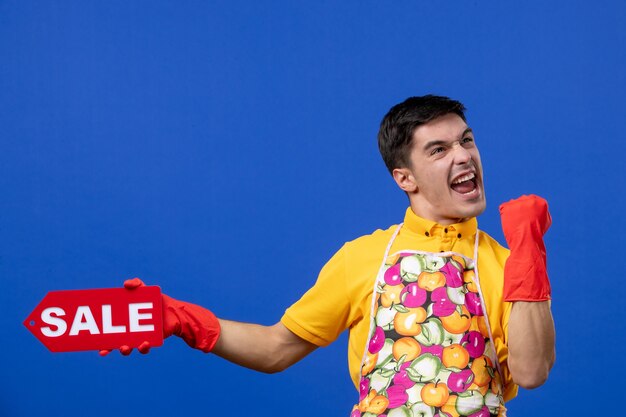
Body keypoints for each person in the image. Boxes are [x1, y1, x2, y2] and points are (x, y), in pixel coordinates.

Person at [103, 95, 556, 417]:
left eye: (466, 141)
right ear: (405, 178)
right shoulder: (363, 257)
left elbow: (532, 371)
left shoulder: (507, 266)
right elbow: (276, 348)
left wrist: (529, 251)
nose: (464, 156)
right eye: (438, 150)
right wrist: (182, 320)